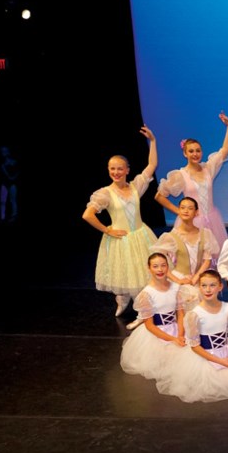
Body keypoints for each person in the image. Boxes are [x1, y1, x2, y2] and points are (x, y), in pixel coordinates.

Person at [156, 270, 228, 403]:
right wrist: (219, 361)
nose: (208, 290)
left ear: (220, 287)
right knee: (224, 382)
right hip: (205, 355)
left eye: (212, 285)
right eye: (204, 285)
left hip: (225, 350)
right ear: (199, 287)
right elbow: (195, 346)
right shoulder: (195, 314)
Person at [82, 125, 159, 316]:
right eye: (112, 169)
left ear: (127, 170)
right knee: (125, 272)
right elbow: (87, 215)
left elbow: (151, 166)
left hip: (141, 235)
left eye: (119, 169)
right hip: (120, 238)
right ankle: (122, 300)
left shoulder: (135, 187)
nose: (116, 172)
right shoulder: (105, 193)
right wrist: (107, 230)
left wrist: (153, 141)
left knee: (141, 272)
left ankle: (142, 305)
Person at [156, 112, 228, 247]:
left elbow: (225, 150)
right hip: (192, 222)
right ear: (185, 153)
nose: (195, 154)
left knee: (214, 256)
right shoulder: (180, 175)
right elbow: (159, 196)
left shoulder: (208, 168)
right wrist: (179, 211)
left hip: (212, 219)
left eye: (198, 150)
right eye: (191, 151)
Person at [119, 253, 185, 381]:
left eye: (163, 266)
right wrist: (172, 339)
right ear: (149, 268)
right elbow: (149, 325)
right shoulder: (146, 294)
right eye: (155, 266)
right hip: (156, 332)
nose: (160, 270)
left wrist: (180, 334)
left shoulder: (176, 288)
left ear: (168, 267)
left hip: (175, 327)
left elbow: (180, 313)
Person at [150, 197, 218, 307]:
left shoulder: (205, 234)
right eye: (182, 208)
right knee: (190, 299)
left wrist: (196, 277)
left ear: (196, 212)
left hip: (199, 276)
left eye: (190, 208)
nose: (186, 211)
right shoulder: (171, 236)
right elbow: (158, 262)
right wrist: (178, 280)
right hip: (180, 277)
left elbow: (207, 260)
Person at [0, 145, 18, 222]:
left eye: (4, 151)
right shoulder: (2, 164)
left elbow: (18, 172)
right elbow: (5, 174)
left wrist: (14, 178)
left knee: (13, 200)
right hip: (4, 184)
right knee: (2, 201)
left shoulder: (14, 161)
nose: (2, 152)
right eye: (1, 151)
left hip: (12, 184)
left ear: (8, 152)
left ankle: (14, 215)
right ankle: (2, 217)